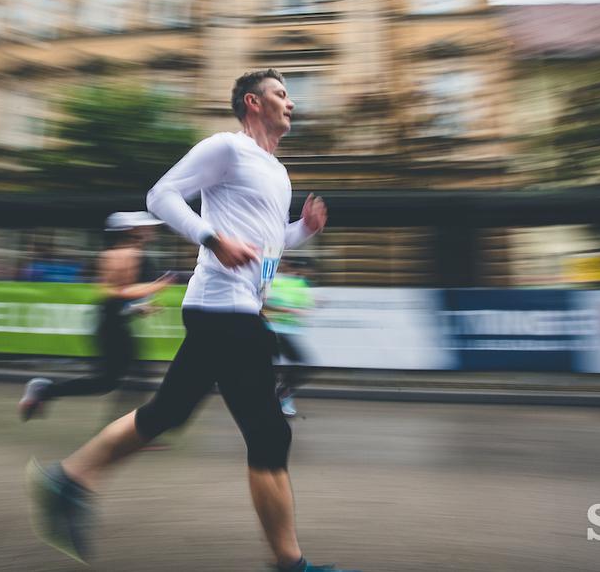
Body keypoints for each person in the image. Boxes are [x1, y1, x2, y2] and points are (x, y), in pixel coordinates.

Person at [26, 69, 357, 572]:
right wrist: (211, 239)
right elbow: (160, 196)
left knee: (167, 413)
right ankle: (291, 564)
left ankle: (67, 481)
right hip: (224, 308)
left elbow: (267, 244)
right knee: (269, 435)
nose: (292, 103)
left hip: (231, 310)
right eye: (282, 94)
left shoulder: (277, 171)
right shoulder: (226, 147)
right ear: (253, 102)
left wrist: (302, 231)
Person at [18, 211, 172, 422]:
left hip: (114, 321)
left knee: (112, 381)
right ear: (131, 231)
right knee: (125, 379)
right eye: (145, 227)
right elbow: (114, 291)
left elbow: (121, 297)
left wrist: (140, 306)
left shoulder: (131, 253)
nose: (151, 230)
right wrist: (154, 287)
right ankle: (123, 432)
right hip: (111, 324)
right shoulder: (121, 255)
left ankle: (46, 391)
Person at [264, 258, 316, 417]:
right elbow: (265, 302)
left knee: (303, 367)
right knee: (270, 369)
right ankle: (278, 398)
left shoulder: (300, 284)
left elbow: (305, 305)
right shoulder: (274, 282)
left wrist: (305, 308)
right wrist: (286, 310)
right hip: (273, 331)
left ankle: (283, 394)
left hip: (290, 332)